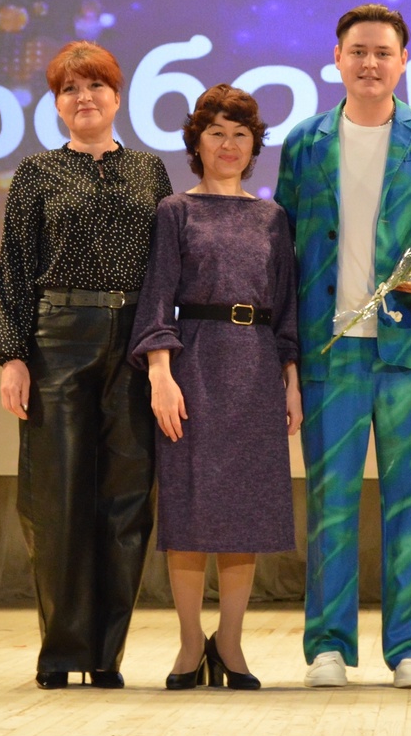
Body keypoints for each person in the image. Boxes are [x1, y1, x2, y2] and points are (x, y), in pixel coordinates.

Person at [275, 4, 411, 690]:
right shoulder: (304, 142)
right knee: (330, 505)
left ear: (403, 62)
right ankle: (327, 647)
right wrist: (286, 355)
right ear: (337, 58)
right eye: (358, 51)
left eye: (383, 52)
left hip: (407, 349)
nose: (369, 63)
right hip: (330, 352)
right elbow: (282, 251)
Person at [0, 40, 172, 690]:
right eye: (69, 89)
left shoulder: (150, 171)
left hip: (133, 342)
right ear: (56, 104)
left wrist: (161, 355)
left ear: (117, 96)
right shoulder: (37, 173)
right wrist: (13, 355)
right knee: (57, 499)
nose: (83, 98)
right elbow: (14, 269)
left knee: (126, 501)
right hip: (58, 340)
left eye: (95, 85)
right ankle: (61, 650)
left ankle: (105, 656)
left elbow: (164, 272)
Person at [129, 84, 301, 691]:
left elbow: (287, 310)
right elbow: (156, 299)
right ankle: (187, 644)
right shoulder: (175, 210)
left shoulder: (273, 218)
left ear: (254, 146)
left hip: (256, 368)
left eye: (240, 135)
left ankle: (229, 644)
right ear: (196, 143)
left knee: (243, 513)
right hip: (193, 367)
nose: (228, 145)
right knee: (189, 507)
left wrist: (291, 382)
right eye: (216, 133)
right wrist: (160, 375)